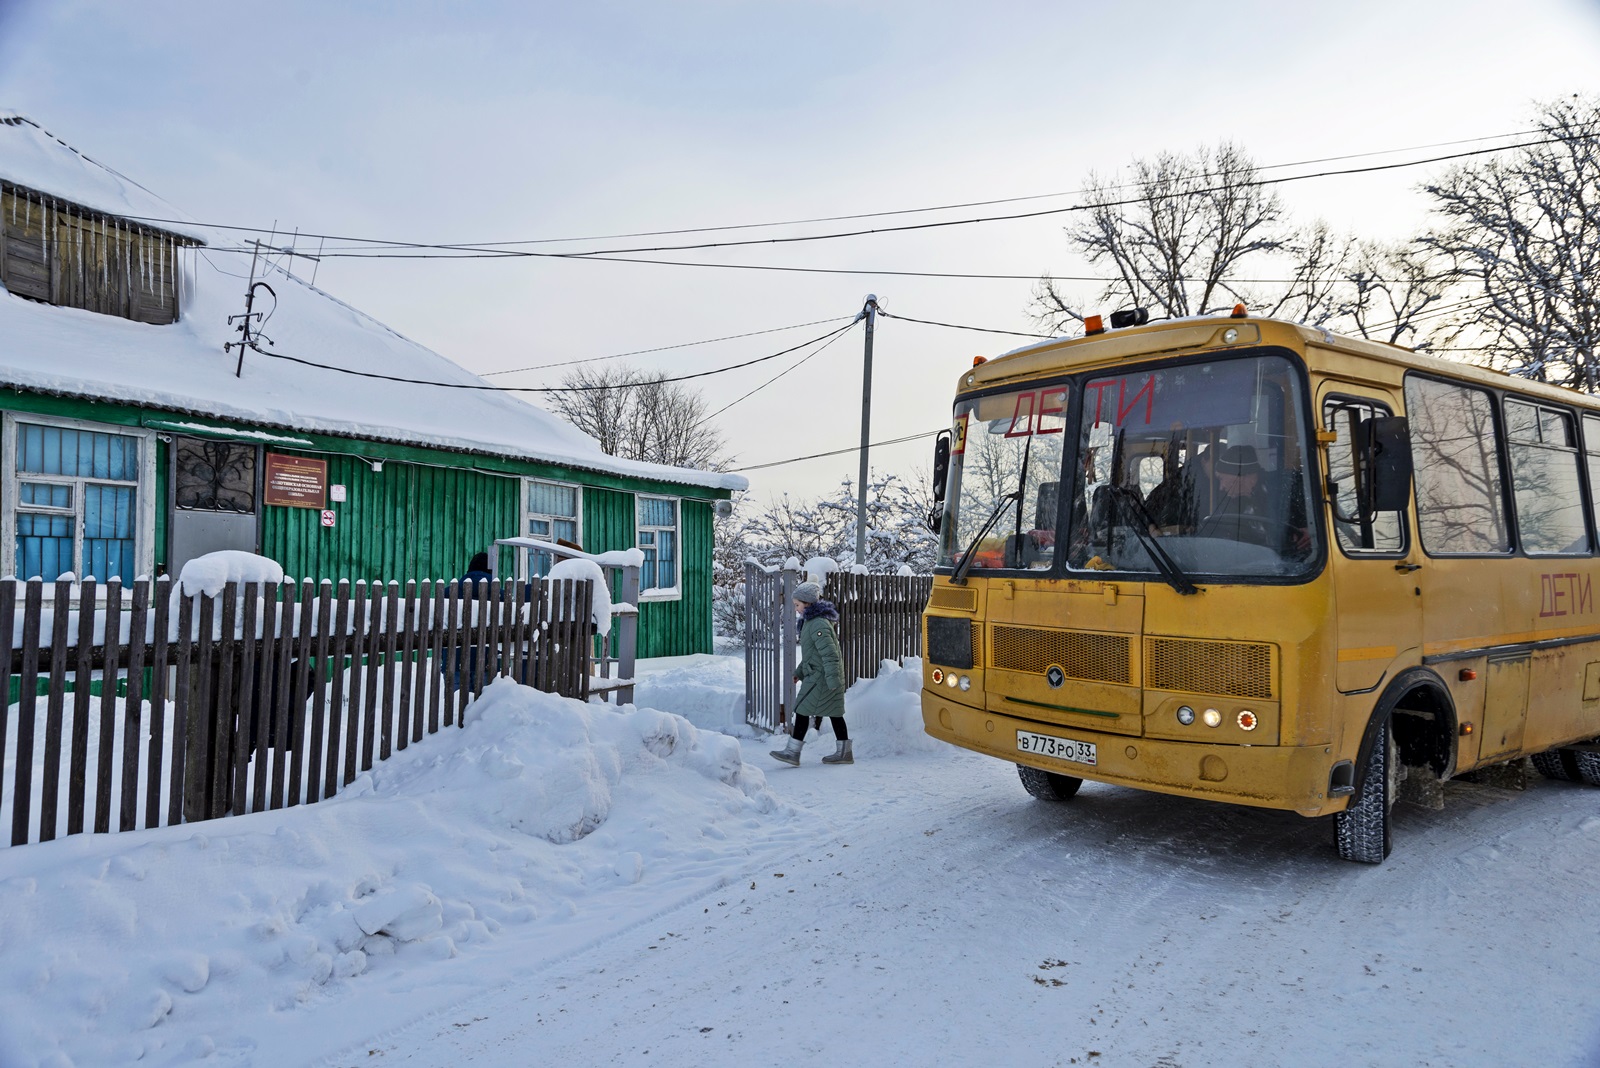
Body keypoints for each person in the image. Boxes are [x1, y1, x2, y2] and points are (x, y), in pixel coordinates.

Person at [770, 581, 851, 766]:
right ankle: (844, 753)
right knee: (834, 713)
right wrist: (799, 671)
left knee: (802, 709)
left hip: (822, 678)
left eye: (797, 605)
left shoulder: (817, 625)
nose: (796, 609)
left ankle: (793, 752)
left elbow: (830, 654)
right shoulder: (811, 622)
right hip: (818, 676)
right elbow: (812, 654)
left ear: (807, 603)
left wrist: (833, 680)